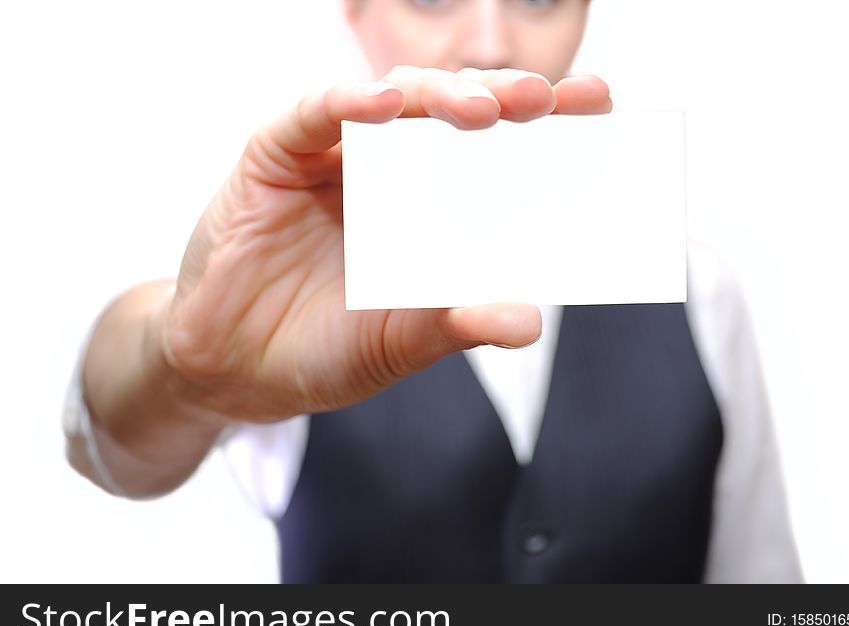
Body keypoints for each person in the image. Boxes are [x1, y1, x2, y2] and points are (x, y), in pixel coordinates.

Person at [62, 0, 803, 582]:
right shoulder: (277, 278)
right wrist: (184, 365)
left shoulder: (699, 291)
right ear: (356, 12)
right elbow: (111, 452)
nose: (489, 44)